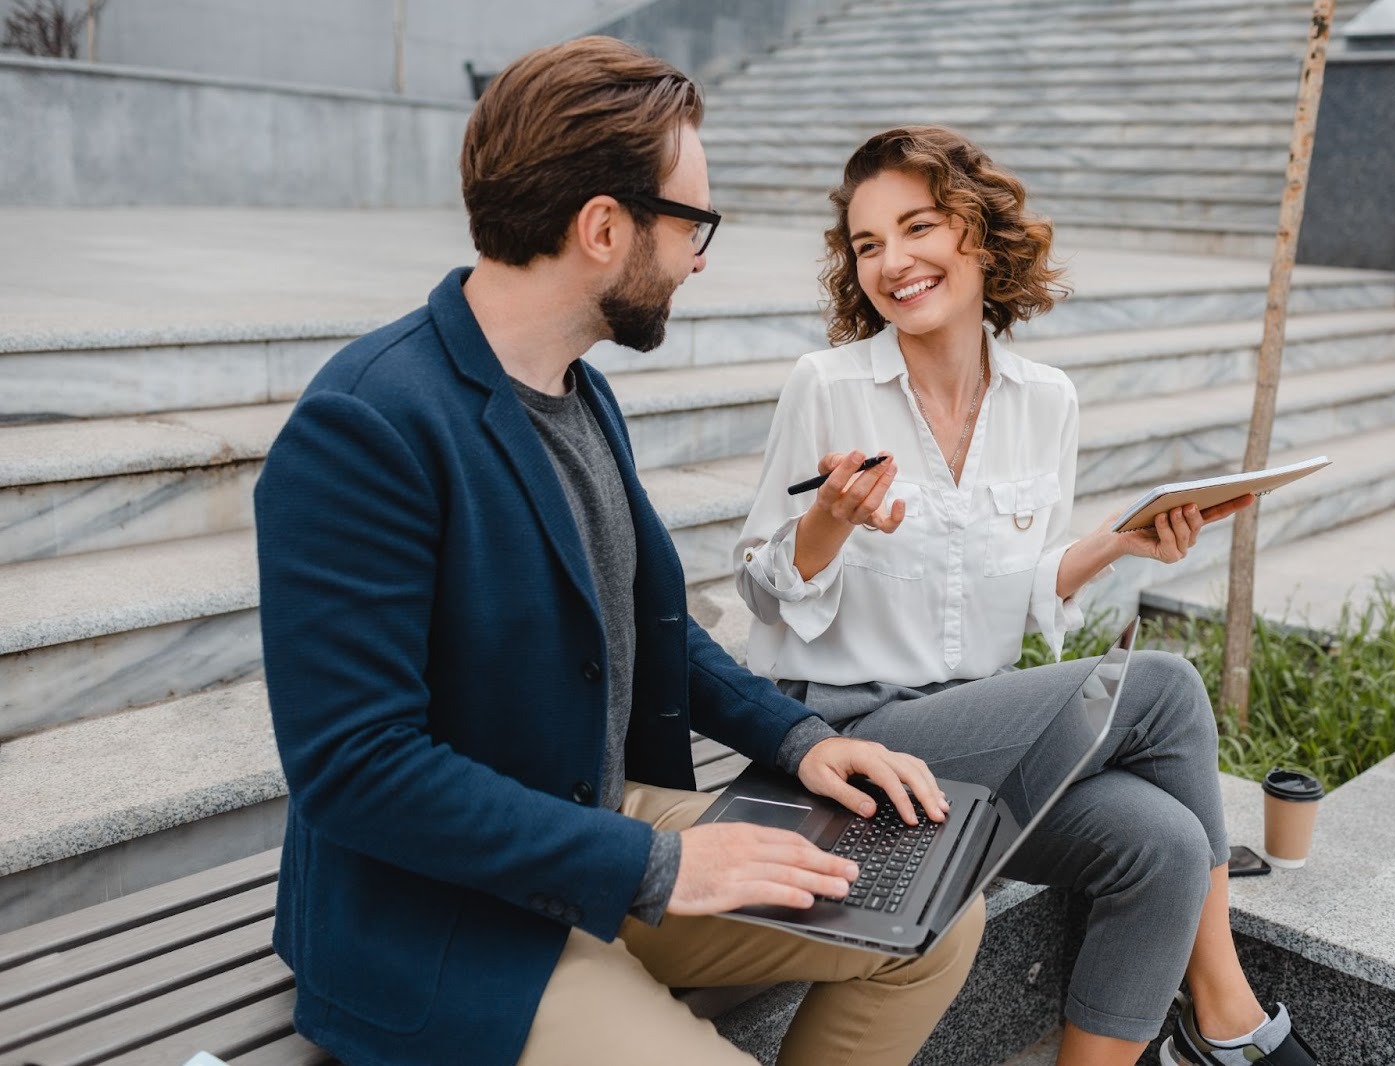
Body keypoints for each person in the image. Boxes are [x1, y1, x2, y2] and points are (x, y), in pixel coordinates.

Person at [254, 44, 985, 1066]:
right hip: (435, 914)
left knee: (936, 919)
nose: (698, 257)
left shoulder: (576, 386)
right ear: (604, 227)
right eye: (695, 224)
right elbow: (356, 769)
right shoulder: (365, 424)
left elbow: (650, 631)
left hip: (587, 824)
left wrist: (800, 739)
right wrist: (657, 862)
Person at [734, 126, 1320, 1066]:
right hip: (851, 741)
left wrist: (1115, 545)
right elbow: (761, 594)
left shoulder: (1048, 400)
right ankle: (1228, 1016)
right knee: (1163, 688)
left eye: (917, 226)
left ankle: (1183, 1040)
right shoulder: (828, 385)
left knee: (1164, 845)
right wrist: (830, 523)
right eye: (867, 244)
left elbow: (1023, 583)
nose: (893, 261)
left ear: (979, 230)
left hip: (977, 736)